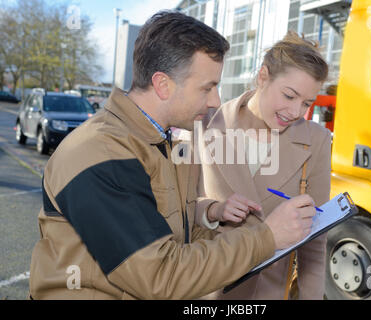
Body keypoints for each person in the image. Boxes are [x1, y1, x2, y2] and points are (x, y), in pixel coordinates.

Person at [28, 12, 317, 300]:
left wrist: (212, 212)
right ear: (163, 85)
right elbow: (159, 276)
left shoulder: (162, 140)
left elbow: (176, 235)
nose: (216, 100)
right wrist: (266, 237)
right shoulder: (99, 152)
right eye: (208, 87)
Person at [195, 31, 331, 300]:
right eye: (289, 96)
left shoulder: (317, 140)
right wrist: (213, 209)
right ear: (263, 77)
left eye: (306, 103)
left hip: (267, 291)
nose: (296, 113)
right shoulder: (205, 121)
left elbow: (315, 240)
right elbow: (180, 207)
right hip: (206, 287)